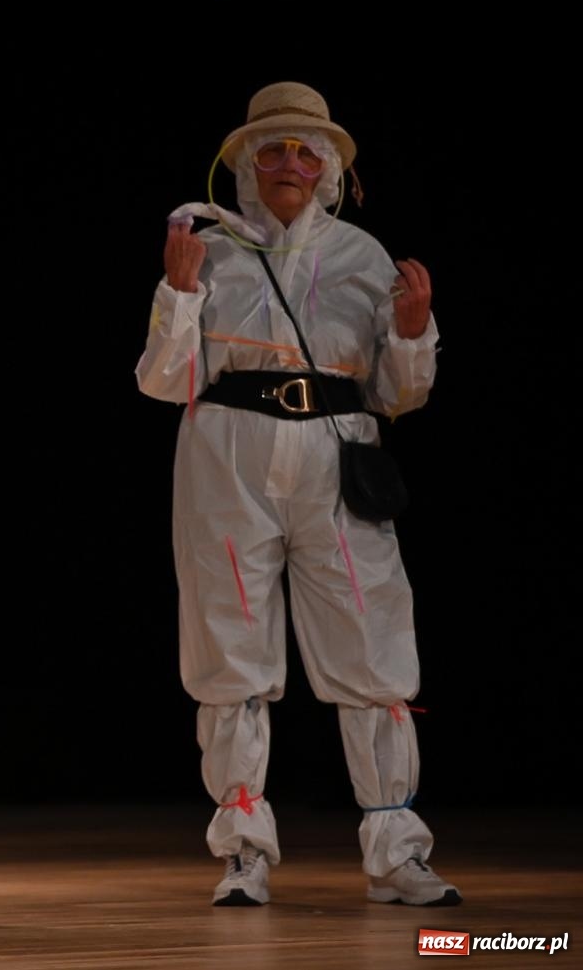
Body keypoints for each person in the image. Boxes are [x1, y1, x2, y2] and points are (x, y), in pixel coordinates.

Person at [135, 81, 460, 907]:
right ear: (245, 162)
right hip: (229, 456)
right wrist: (177, 292)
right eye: (273, 148)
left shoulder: (361, 254)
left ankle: (395, 850)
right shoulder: (212, 248)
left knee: (371, 636)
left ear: (329, 169)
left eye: (306, 150)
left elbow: (397, 392)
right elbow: (168, 379)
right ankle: (243, 850)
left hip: (336, 453)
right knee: (230, 646)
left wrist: (416, 332)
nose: (290, 162)